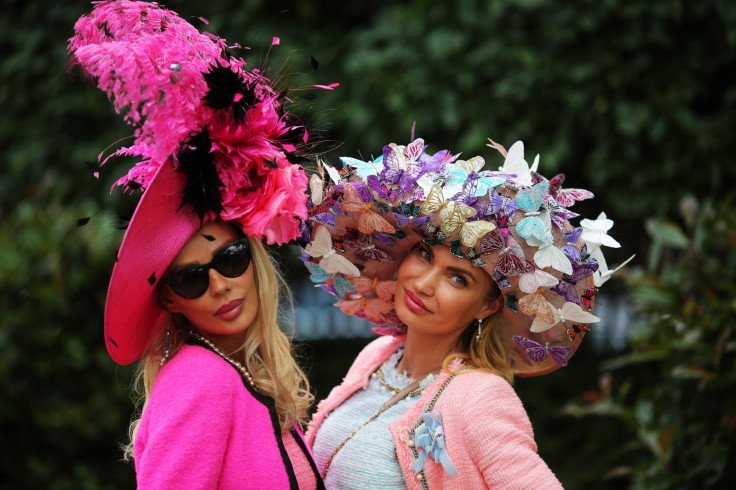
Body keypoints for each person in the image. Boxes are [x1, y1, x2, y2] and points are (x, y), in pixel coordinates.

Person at [69, 1, 334, 487]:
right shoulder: (202, 380)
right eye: (191, 278)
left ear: (252, 256)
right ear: (168, 297)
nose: (218, 285)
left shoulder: (242, 376)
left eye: (229, 259)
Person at [301, 136, 622, 488]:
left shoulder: (479, 396)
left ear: (488, 304)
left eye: (457, 279)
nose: (423, 284)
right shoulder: (377, 357)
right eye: (425, 255)